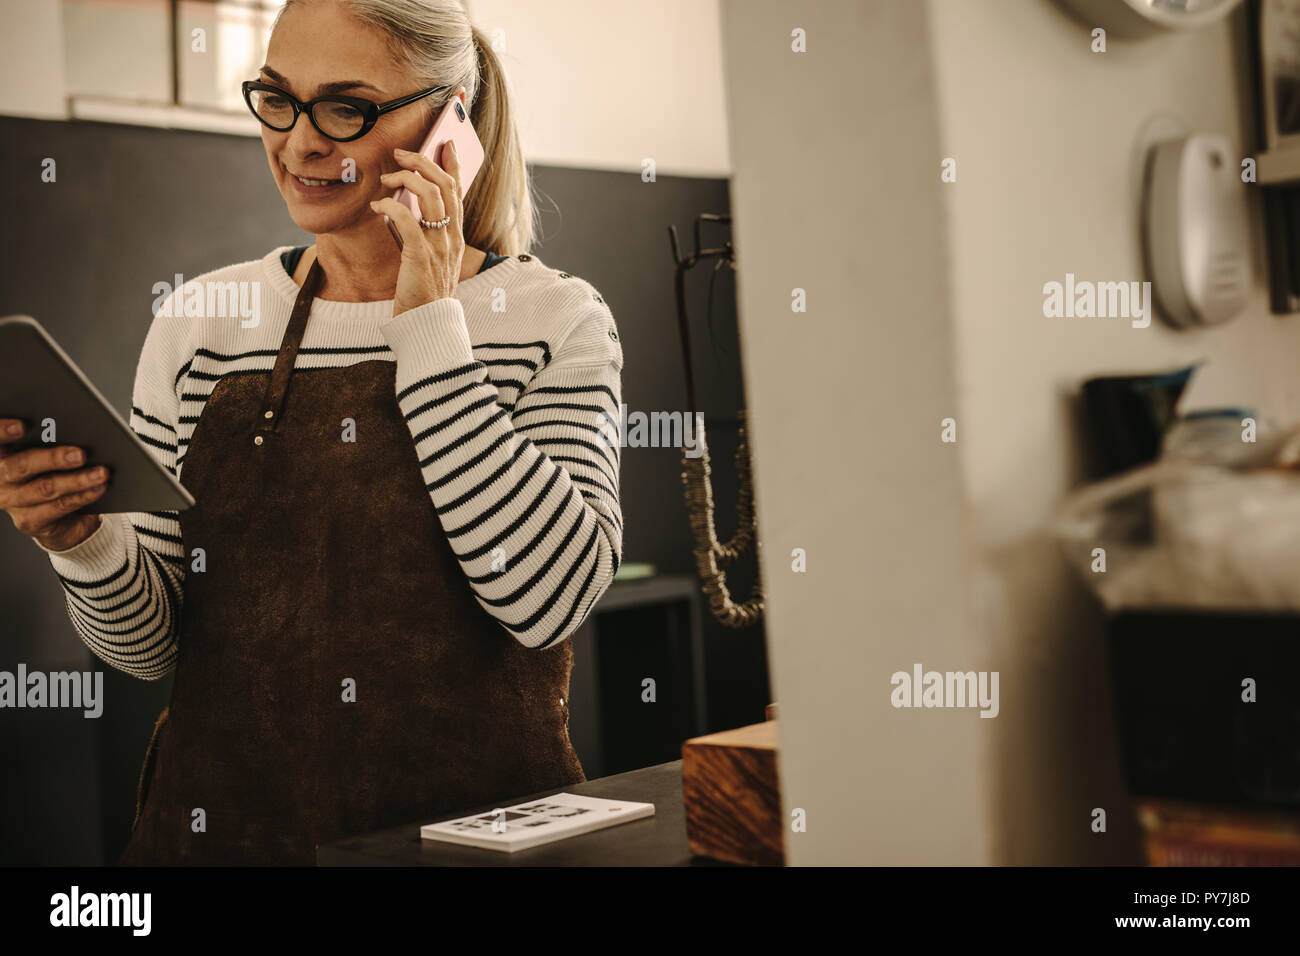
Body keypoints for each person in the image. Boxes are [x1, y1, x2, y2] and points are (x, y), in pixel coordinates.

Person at [0, 0, 624, 865]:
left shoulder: (554, 317)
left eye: (345, 107)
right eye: (277, 98)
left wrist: (432, 322)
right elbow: (147, 652)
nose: (298, 144)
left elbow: (546, 599)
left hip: (472, 844)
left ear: (453, 119)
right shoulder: (199, 324)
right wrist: (84, 545)